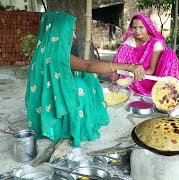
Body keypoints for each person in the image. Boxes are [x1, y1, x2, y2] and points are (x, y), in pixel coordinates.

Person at [25, 12, 145, 147]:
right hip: (51, 110)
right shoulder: (55, 53)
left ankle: (82, 116)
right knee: (79, 85)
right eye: (71, 31)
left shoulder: (52, 48)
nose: (74, 36)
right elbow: (88, 65)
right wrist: (129, 66)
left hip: (54, 99)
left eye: (74, 31)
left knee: (87, 76)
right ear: (58, 32)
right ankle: (71, 128)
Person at [112, 13, 179, 97]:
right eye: (134, 27)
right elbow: (120, 58)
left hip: (148, 77)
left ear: (147, 27)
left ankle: (163, 89)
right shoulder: (131, 39)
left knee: (170, 54)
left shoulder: (156, 43)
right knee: (123, 49)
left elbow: (151, 70)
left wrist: (132, 79)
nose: (137, 31)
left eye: (141, 27)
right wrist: (116, 81)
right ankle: (119, 80)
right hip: (132, 72)